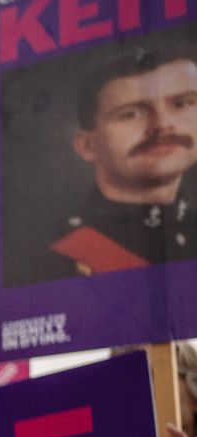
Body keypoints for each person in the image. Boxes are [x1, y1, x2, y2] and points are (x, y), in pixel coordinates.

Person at [51, 46, 197, 274]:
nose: (162, 124)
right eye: (132, 114)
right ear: (88, 146)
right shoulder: (56, 258)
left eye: (181, 104)